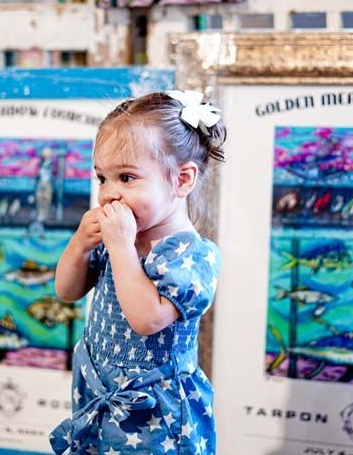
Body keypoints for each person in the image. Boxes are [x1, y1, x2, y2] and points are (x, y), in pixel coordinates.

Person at [50, 90, 226, 454]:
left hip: (155, 414)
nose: (109, 194)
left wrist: (120, 247)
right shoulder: (119, 237)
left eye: (126, 178)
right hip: (99, 389)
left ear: (182, 180)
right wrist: (80, 245)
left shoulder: (191, 255)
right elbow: (67, 290)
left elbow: (147, 319)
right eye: (102, 178)